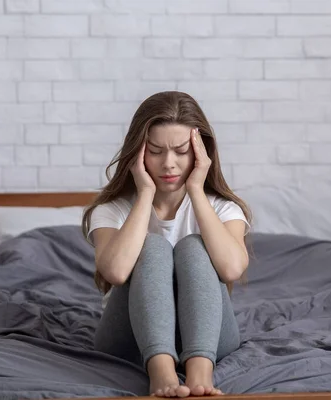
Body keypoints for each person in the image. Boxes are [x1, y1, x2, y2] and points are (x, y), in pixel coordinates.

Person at [82, 91, 252, 398]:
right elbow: (116, 272)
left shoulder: (224, 209)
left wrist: (197, 191)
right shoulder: (111, 209)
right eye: (156, 151)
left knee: (193, 247)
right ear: (137, 153)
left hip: (209, 337)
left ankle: (200, 371)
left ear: (200, 153)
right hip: (130, 339)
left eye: (181, 151)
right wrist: (145, 193)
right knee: (154, 247)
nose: (169, 164)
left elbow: (231, 269)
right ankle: (160, 372)